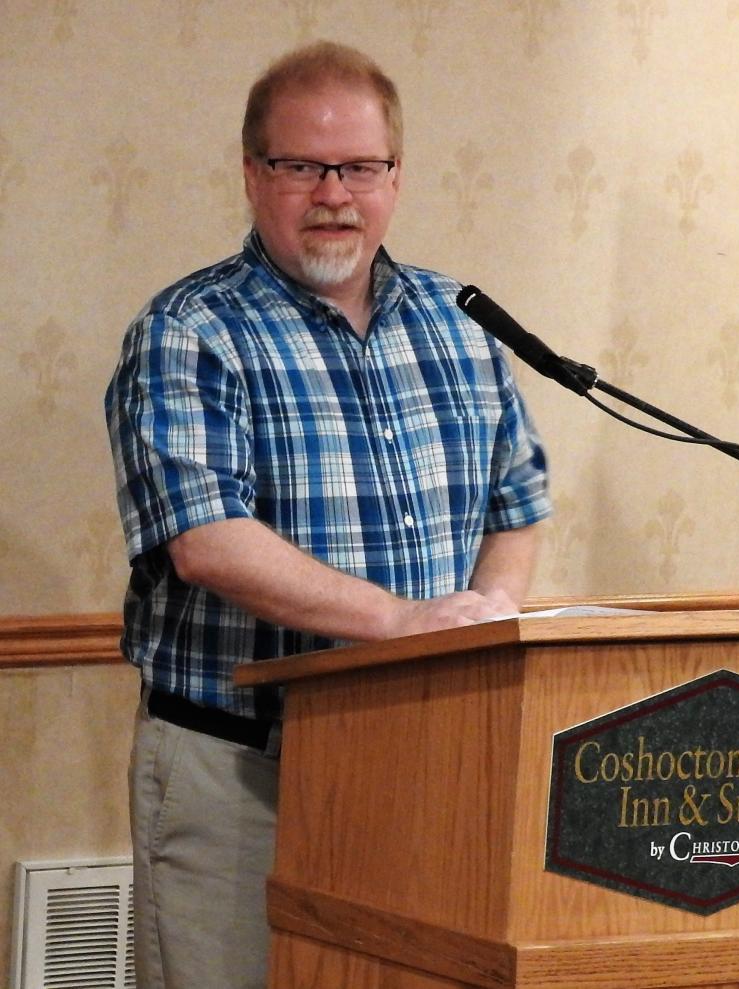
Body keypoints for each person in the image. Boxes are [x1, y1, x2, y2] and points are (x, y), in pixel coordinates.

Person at [104, 39, 550, 989]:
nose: (334, 193)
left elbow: (519, 503)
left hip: (426, 766)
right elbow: (205, 540)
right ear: (252, 174)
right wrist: (401, 623)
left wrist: (486, 623)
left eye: (359, 166)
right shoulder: (188, 332)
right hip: (241, 773)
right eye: (302, 165)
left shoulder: (461, 321)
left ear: (397, 174)